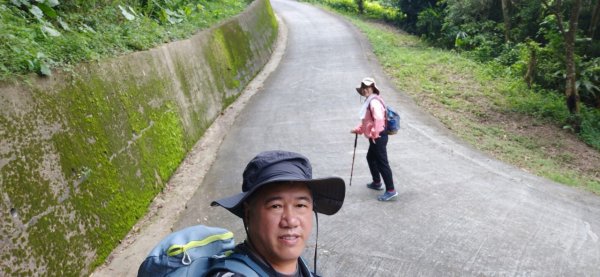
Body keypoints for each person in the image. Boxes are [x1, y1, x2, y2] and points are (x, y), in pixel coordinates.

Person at [207, 150, 346, 277]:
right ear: (248, 213)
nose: (291, 221)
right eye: (276, 206)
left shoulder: (303, 269)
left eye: (300, 205)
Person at [350, 77, 398, 201]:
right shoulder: (370, 101)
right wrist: (359, 129)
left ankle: (391, 190)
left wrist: (375, 133)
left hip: (378, 137)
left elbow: (379, 119)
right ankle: (377, 183)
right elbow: (368, 121)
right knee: (370, 158)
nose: (365, 90)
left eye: (367, 88)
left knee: (382, 163)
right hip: (375, 137)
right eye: (363, 88)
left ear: (372, 88)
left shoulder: (374, 102)